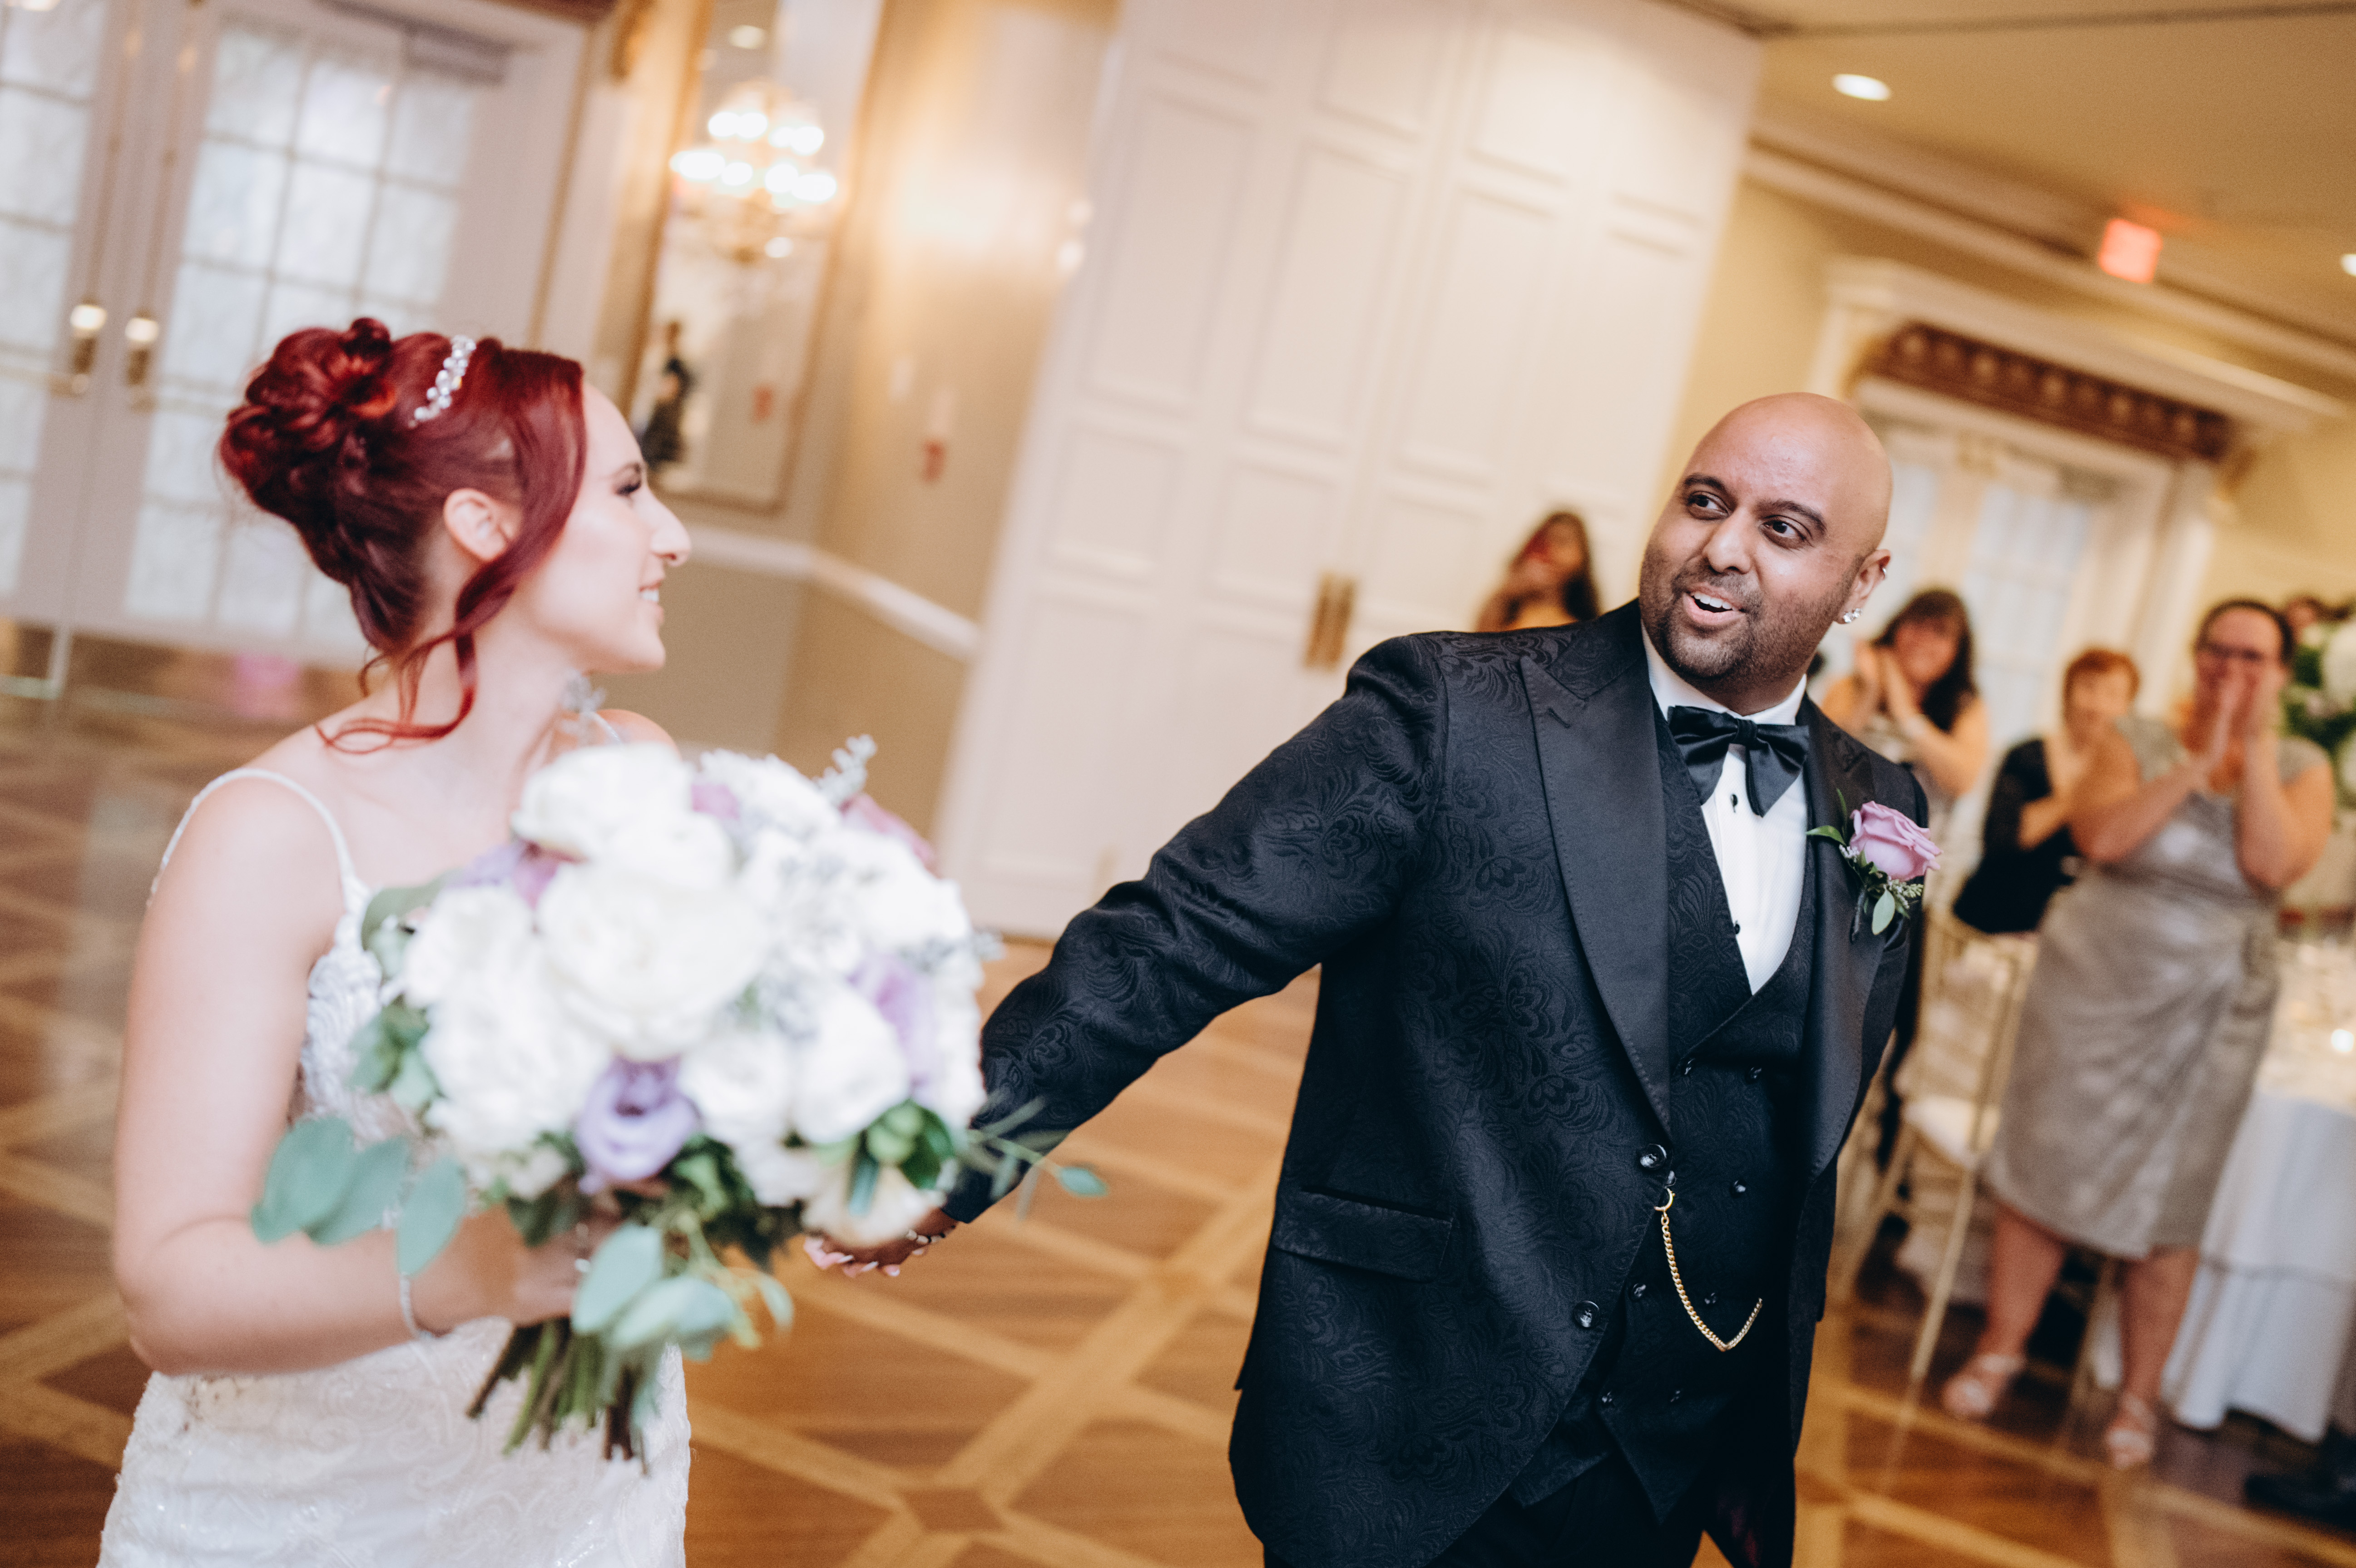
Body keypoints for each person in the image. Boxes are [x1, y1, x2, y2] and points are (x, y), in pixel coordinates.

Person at [830, 394, 1925, 1568]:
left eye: (1782, 528)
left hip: (1665, 1454)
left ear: (1862, 582)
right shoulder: (1455, 712)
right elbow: (1184, 927)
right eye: (1703, 502)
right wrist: (954, 1144)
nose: (1720, 547)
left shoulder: (1879, 804)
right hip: (1414, 1409)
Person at [99, 319, 695, 1565]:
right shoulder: (271, 835)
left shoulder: (638, 775)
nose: (673, 537)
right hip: (313, 1510)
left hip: (594, 1501)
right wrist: (471, 1269)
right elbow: (169, 1286)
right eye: (629, 490)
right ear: (485, 524)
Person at [1942, 601, 2333, 1469]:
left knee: (2173, 1200)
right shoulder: (2135, 737)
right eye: (2217, 650)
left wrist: (2250, 749)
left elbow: (2271, 863)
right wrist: (2193, 761)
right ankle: (1999, 1348)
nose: (2230, 667)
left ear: (2279, 671)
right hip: (2093, 986)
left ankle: (2137, 1396)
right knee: (2043, 1167)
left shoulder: (2302, 768)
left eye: (2253, 656)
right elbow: (2102, 836)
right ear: (2194, 657)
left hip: (2215, 1008)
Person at [1951, 648, 2139, 935]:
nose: (2098, 704)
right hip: (1993, 917)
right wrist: (2078, 793)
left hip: (2068, 932)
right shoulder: (2025, 756)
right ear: (2067, 694)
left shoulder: (2131, 779)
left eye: (2113, 694)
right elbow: (2001, 840)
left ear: (2128, 708)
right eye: (2089, 687)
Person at [1817, 588, 1989, 846]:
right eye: (1917, 625)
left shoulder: (1966, 707)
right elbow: (1822, 757)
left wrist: (1907, 716)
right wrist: (1871, 692)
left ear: (1958, 651)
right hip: (1835, 838)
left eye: (1940, 632)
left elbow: (1963, 780)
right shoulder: (1850, 686)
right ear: (1897, 628)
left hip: (1914, 854)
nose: (1925, 640)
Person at [1475, 509, 1604, 632]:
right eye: (1544, 542)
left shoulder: (1589, 624)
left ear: (1582, 557)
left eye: (1563, 541)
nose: (1551, 551)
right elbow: (1481, 639)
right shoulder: (1509, 604)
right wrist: (1508, 593)